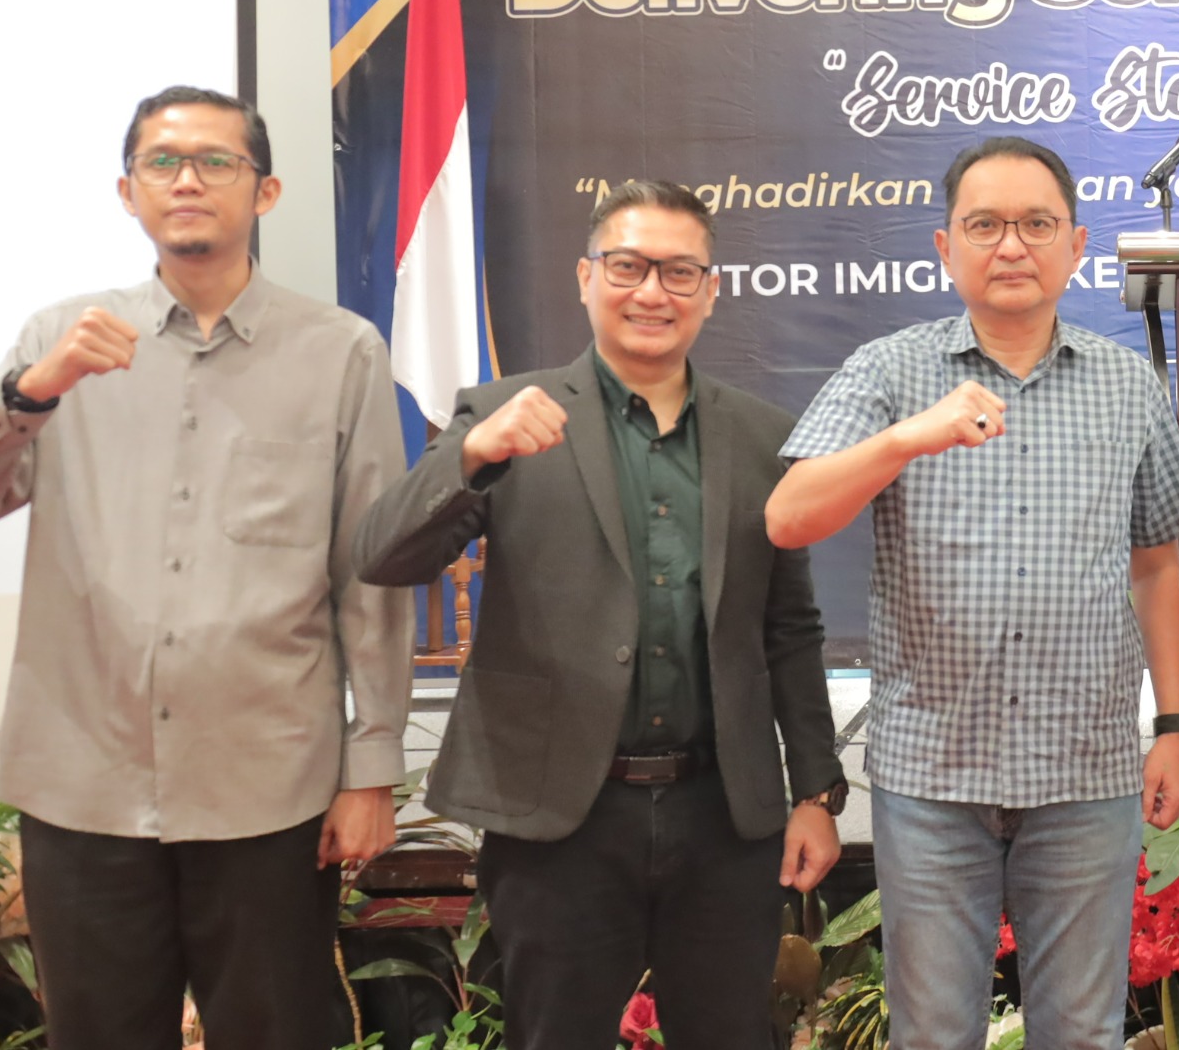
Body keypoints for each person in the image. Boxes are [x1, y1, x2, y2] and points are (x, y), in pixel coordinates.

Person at [0, 86, 411, 1049]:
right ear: (127, 191)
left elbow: (369, 570)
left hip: (269, 790)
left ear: (266, 191)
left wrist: (372, 765)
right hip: (83, 782)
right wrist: (29, 395)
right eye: (162, 162)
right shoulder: (58, 340)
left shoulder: (340, 352)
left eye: (217, 161)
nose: (187, 180)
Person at [354, 178, 844, 1048]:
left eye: (679, 272)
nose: (652, 291)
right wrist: (471, 456)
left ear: (710, 291)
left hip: (721, 814)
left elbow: (790, 627)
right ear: (586, 278)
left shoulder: (763, 437)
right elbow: (385, 557)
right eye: (627, 266)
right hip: (560, 818)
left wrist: (815, 791)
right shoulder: (502, 414)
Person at [766, 136, 1179, 1050]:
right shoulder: (890, 370)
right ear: (945, 247)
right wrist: (906, 439)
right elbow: (788, 517)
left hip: (1085, 772)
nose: (1011, 246)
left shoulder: (1127, 384)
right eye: (985, 225)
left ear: (1075, 246)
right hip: (933, 775)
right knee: (932, 1035)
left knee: (1082, 1033)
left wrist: (1172, 724)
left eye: (1036, 224)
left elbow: (1159, 560)